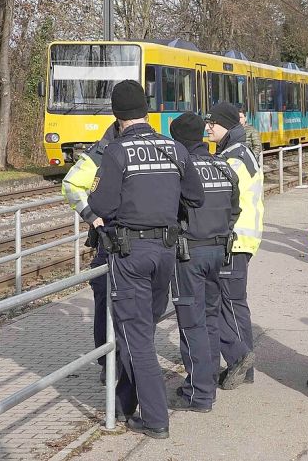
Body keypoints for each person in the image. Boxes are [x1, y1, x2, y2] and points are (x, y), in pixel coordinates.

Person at [88, 80, 205, 438]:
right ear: (147, 110)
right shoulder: (173, 149)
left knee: (136, 338)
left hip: (130, 255)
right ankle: (126, 402)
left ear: (116, 114)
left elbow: (102, 205)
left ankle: (154, 419)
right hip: (166, 254)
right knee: (141, 330)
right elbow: (196, 197)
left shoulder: (117, 152)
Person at [167, 112, 241, 413]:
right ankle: (207, 382)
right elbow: (235, 209)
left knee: (191, 323)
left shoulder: (181, 169)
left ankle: (198, 394)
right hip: (219, 252)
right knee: (210, 319)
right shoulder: (223, 166)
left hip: (189, 254)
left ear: (179, 140)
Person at [206, 101, 264, 390]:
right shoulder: (238, 152)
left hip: (234, 239)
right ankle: (241, 365)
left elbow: (224, 201)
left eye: (212, 123)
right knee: (234, 305)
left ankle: (242, 365)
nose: (208, 127)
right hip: (241, 238)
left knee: (230, 304)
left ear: (226, 125)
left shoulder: (233, 158)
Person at [60, 122, 118, 385]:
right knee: (106, 304)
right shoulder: (101, 151)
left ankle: (116, 364)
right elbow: (71, 185)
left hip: (130, 245)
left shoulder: (107, 149)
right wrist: (92, 217)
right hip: (110, 244)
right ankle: (108, 364)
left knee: (110, 304)